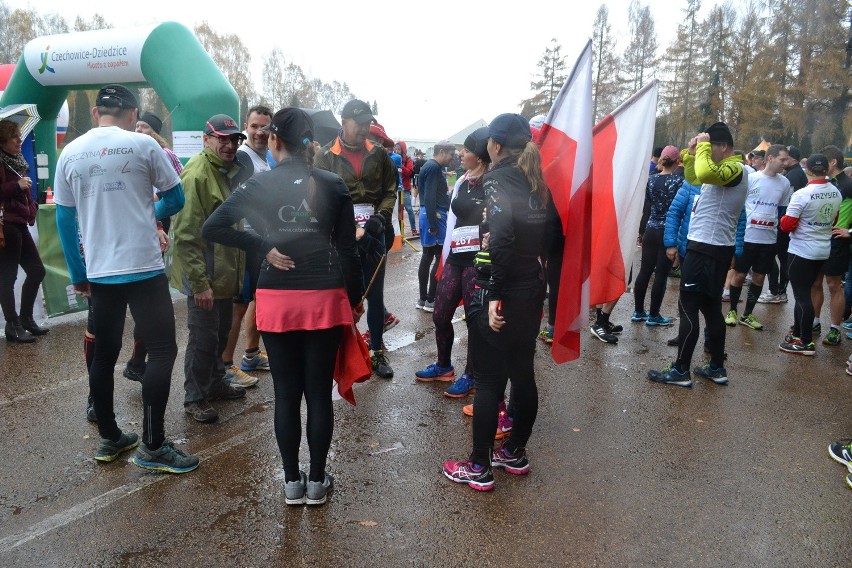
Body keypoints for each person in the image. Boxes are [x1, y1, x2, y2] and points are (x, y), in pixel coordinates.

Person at [203, 108, 363, 506]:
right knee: (318, 394)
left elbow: (214, 227)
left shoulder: (259, 184)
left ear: (274, 140)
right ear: (311, 143)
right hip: (325, 296)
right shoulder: (333, 183)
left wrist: (263, 247)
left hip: (276, 300)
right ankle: (318, 482)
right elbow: (348, 250)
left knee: (287, 393)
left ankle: (293, 483)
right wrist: (355, 298)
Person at [54, 84, 198, 473]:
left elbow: (64, 218)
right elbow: (176, 199)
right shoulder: (144, 145)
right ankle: (152, 445)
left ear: (99, 111)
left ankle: (110, 437)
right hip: (144, 267)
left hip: (100, 271)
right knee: (163, 350)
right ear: (133, 114)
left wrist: (78, 273)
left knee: (104, 355)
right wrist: (150, 211)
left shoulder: (70, 152)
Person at [443, 113, 549, 491]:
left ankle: (478, 468)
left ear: (496, 146)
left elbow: (501, 238)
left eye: (489, 139)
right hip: (530, 288)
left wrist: (495, 292)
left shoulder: (498, 179)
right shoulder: (537, 179)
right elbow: (552, 237)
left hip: (504, 291)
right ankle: (515, 453)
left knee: (489, 380)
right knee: (522, 372)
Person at [649, 122, 748, 388]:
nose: (707, 150)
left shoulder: (735, 168)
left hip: (707, 248)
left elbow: (704, 171)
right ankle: (716, 367)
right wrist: (694, 152)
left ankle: (681, 370)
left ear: (723, 147)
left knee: (689, 307)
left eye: (711, 145)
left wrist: (703, 148)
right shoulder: (720, 171)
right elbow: (694, 176)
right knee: (710, 308)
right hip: (712, 247)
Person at [170, 113, 251, 424]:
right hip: (204, 276)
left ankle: (215, 384)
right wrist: (200, 282)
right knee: (202, 339)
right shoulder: (198, 174)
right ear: (207, 139)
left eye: (233, 139)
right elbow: (187, 235)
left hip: (223, 274)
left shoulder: (227, 171)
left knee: (218, 335)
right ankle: (195, 397)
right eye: (222, 138)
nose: (229, 145)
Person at [315, 99, 397, 379]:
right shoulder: (325, 156)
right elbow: (320, 197)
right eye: (359, 123)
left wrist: (379, 219)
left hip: (375, 234)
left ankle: (377, 353)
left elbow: (390, 190)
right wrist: (345, 226)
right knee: (339, 295)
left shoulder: (379, 154)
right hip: (341, 238)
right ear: (344, 121)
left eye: (368, 123)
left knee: (375, 294)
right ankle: (337, 355)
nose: (365, 128)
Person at [416, 127, 489, 394]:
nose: (460, 153)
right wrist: (446, 254)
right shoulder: (462, 180)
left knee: (474, 321)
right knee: (440, 313)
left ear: (479, 157)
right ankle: (444, 366)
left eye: (466, 150)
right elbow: (454, 219)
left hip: (477, 262)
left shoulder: (492, 182)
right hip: (456, 257)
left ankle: (471, 375)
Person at [121, 110, 183, 382]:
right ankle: (133, 365)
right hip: (122, 241)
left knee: (147, 310)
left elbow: (177, 192)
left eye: (146, 127)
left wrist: (154, 220)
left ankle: (137, 362)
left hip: (151, 234)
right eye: (138, 126)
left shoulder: (164, 154)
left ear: (155, 131)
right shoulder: (124, 150)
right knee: (112, 320)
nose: (140, 130)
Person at [221, 105, 274, 384]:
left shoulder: (265, 160)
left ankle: (251, 355)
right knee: (238, 305)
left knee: (259, 296)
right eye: (254, 126)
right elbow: (235, 203)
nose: (259, 132)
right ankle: (226, 366)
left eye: (265, 127)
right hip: (244, 242)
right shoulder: (243, 158)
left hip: (259, 241)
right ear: (246, 127)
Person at [778, 154, 842, 355]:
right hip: (823, 249)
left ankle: (805, 341)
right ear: (827, 169)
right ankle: (798, 333)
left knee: (802, 295)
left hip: (802, 250)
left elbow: (786, 225)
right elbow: (834, 219)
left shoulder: (802, 194)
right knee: (804, 294)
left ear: (808, 170)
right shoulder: (835, 192)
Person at [723, 144, 792, 331]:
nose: (785, 163)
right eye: (782, 159)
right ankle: (732, 311)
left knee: (760, 277)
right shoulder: (751, 179)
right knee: (739, 275)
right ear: (770, 158)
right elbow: (738, 206)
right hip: (747, 236)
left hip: (768, 239)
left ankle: (747, 314)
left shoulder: (784, 183)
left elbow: (781, 210)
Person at [0, 119, 46, 343]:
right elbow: (8, 190)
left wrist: (33, 206)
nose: (20, 140)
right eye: (14, 137)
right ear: (2, 140)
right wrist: (15, 186)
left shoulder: (16, 161)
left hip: (19, 222)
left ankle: (25, 318)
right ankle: (13, 324)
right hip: (6, 224)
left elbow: (26, 192)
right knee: (7, 277)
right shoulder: (1, 162)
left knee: (37, 270)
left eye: (20, 135)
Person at [632, 145, 683, 327]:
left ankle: (638, 311)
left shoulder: (651, 180)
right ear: (677, 162)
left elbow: (648, 205)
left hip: (650, 229)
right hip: (668, 231)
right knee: (661, 273)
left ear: (661, 159)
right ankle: (654, 315)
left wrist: (641, 229)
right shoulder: (679, 182)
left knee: (644, 271)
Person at [809, 146, 852, 346]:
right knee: (815, 282)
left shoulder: (848, 185)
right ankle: (815, 322)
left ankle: (835, 329)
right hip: (818, 239)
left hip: (837, 243)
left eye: (824, 161)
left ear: (833, 163)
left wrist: (849, 232)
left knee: (834, 285)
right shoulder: (825, 183)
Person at [416, 140, 456, 312]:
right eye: (451, 155)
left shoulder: (428, 166)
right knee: (438, 256)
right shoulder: (433, 168)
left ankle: (423, 298)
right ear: (441, 151)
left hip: (429, 214)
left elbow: (422, 190)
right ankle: (431, 299)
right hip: (435, 214)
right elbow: (430, 196)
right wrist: (433, 222)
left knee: (427, 256)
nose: (452, 159)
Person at [395, 141, 417, 235]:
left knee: (409, 209)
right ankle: (399, 232)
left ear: (403, 150)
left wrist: (400, 166)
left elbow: (408, 172)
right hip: (395, 188)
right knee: (398, 210)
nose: (396, 151)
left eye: (399, 149)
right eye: (395, 148)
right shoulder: (393, 158)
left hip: (405, 189)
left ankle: (413, 229)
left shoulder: (408, 160)